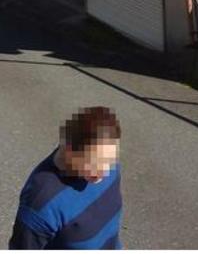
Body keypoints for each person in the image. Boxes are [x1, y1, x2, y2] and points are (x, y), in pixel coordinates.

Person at [9, 106, 123, 250]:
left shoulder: (107, 164)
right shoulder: (40, 203)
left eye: (110, 160)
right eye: (94, 164)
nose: (105, 173)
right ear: (70, 151)